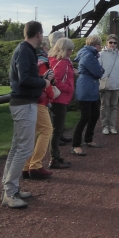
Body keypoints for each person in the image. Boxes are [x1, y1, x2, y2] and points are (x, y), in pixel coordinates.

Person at [1, 21, 53, 209]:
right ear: (38, 34)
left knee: (18, 147)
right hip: (24, 103)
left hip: (23, 103)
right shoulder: (25, 51)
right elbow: (25, 78)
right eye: (42, 34)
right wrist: (43, 82)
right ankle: (10, 192)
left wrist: (40, 80)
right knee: (23, 148)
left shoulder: (24, 50)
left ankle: (10, 189)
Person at [21, 37, 57, 180]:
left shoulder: (32, 59)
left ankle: (26, 166)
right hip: (39, 101)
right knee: (47, 130)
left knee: (33, 132)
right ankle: (35, 165)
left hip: (30, 100)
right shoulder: (42, 62)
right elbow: (43, 82)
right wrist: (51, 91)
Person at [71, 35, 105, 156]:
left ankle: (88, 139)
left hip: (90, 87)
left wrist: (100, 70)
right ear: (95, 44)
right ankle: (75, 144)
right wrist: (101, 70)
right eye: (100, 44)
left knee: (95, 114)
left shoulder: (89, 54)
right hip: (86, 88)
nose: (101, 46)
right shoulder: (89, 55)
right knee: (85, 116)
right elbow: (98, 72)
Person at [48, 37, 75, 170]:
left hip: (56, 98)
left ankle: (56, 156)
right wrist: (69, 88)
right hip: (59, 98)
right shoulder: (63, 62)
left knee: (56, 129)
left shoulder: (53, 59)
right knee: (56, 130)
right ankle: (54, 158)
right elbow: (57, 81)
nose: (71, 51)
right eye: (70, 49)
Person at [99, 34, 119, 135]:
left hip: (117, 83)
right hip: (106, 83)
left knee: (114, 105)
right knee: (104, 105)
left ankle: (112, 126)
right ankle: (104, 126)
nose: (113, 44)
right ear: (107, 43)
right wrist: (102, 77)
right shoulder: (101, 54)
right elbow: (98, 68)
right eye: (111, 42)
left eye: (114, 43)